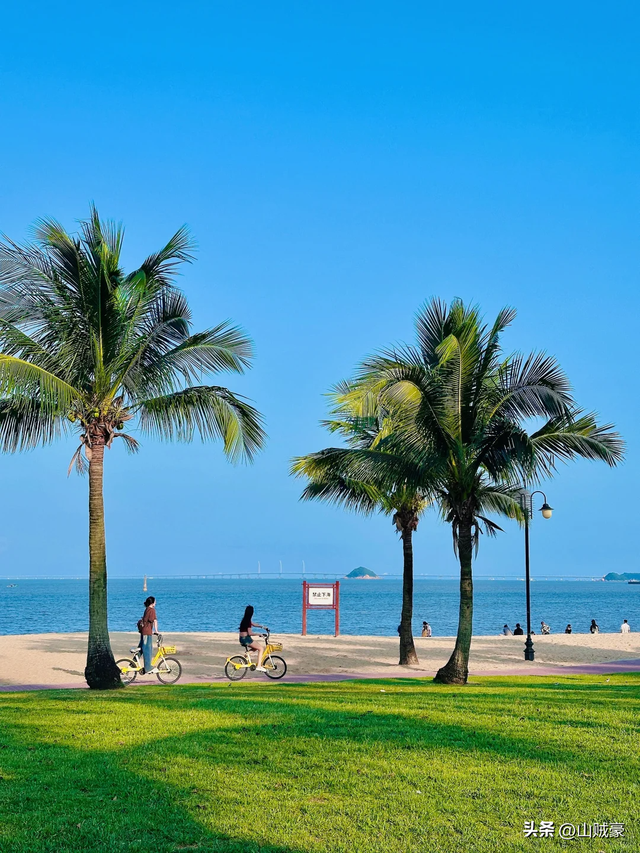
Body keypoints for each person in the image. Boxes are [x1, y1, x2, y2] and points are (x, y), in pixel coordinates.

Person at [239, 606, 268, 672]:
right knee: (261, 648)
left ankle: (244, 657)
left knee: (255, 647)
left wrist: (262, 627)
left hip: (242, 639)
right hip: (246, 639)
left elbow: (254, 624)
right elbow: (250, 633)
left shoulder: (245, 620)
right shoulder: (247, 622)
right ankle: (259, 666)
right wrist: (259, 634)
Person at [138, 595, 159, 675]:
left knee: (141, 648)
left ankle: (133, 663)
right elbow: (154, 620)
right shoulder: (152, 610)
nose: (155, 603)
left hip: (144, 631)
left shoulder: (147, 609)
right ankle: (148, 667)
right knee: (147, 649)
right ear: (152, 603)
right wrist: (156, 631)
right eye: (155, 601)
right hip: (147, 632)